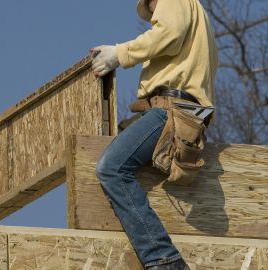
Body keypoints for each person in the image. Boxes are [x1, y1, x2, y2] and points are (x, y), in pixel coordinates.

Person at [91, 0, 217, 269]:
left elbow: (168, 34)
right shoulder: (196, 16)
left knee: (111, 168)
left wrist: (119, 54)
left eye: (152, 9)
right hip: (185, 113)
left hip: (172, 111)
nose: (154, 14)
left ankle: (164, 259)